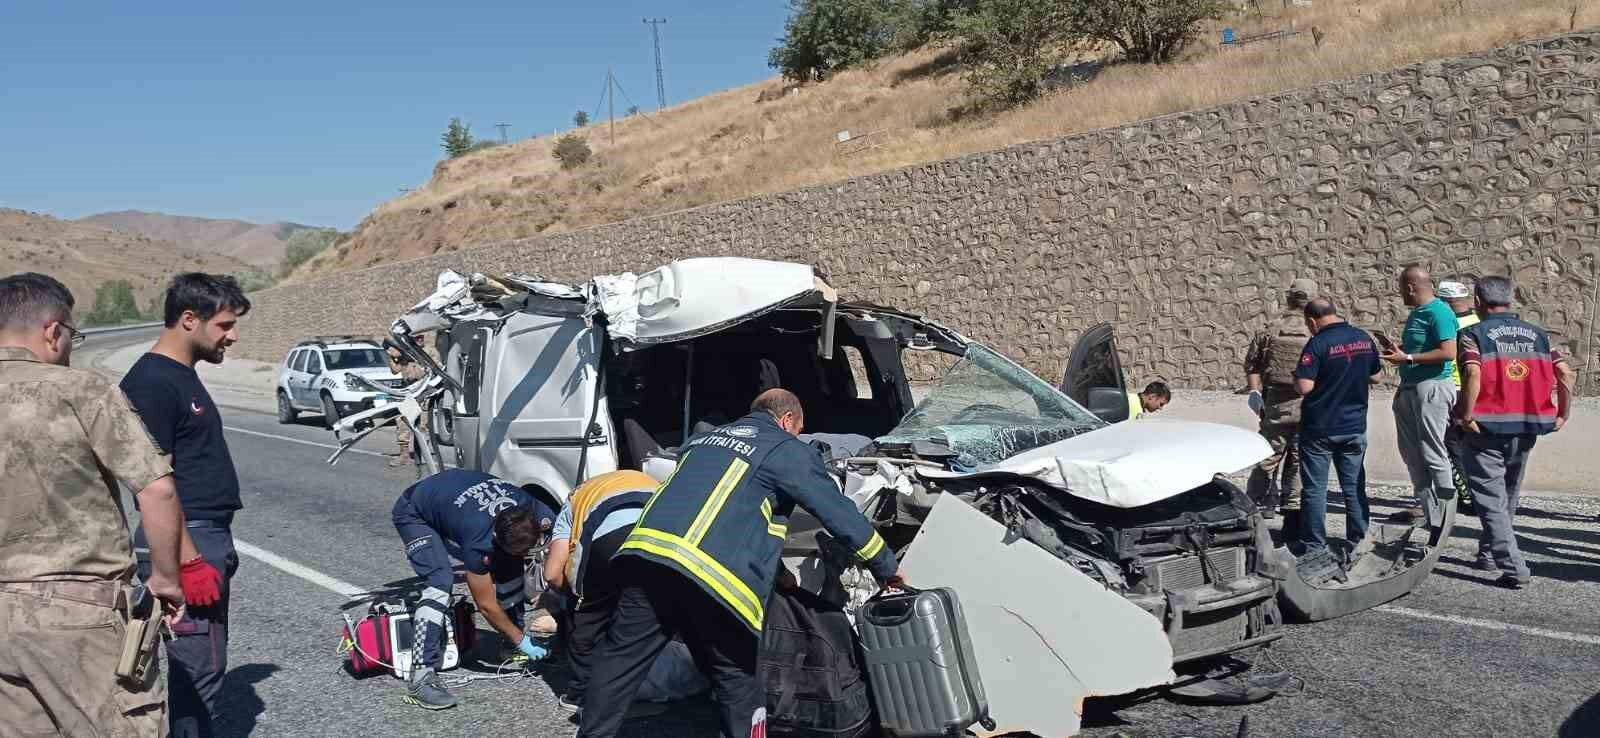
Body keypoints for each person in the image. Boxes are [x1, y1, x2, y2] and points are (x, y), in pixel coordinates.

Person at [578, 388, 903, 738]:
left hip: (647, 559)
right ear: (787, 420)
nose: (797, 436)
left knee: (619, 662)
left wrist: (776, 572)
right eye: (798, 429)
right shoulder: (785, 447)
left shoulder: (701, 441)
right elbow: (838, 513)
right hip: (711, 578)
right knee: (738, 679)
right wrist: (887, 567)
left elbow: (735, 511)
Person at [0, 273, 186, 736]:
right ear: (53, 331)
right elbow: (156, 490)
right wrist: (165, 580)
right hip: (79, 619)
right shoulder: (80, 389)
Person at [120, 273, 251, 738]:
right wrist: (189, 559)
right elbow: (154, 481)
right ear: (189, 319)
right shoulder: (154, 381)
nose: (232, 336)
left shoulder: (177, 376)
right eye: (224, 325)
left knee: (200, 671)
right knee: (198, 676)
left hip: (199, 534)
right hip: (187, 538)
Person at [392, 468, 557, 709]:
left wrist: (554, 594)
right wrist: (523, 640)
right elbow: (486, 605)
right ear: (495, 537)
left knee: (510, 565)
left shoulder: (537, 510)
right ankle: (421, 676)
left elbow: (565, 551)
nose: (526, 556)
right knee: (440, 581)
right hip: (414, 511)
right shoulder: (478, 540)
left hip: (451, 494)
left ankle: (510, 645)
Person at [1454, 276, 1575, 590]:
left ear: (1478, 302)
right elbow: (1565, 372)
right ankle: (1489, 553)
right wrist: (1563, 412)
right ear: (1512, 298)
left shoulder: (1472, 334)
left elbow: (1472, 372)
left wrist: (1466, 415)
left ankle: (1514, 567)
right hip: (1527, 425)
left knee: (1491, 500)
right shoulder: (1539, 334)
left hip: (1487, 426)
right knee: (1508, 493)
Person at [543, 470, 658, 714]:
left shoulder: (573, 501)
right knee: (644, 612)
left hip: (611, 537)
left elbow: (552, 574)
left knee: (587, 617)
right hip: (661, 536)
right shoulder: (644, 478)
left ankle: (581, 695)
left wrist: (571, 597)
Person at [1292, 298, 1383, 554]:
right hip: (1354, 426)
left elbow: (1304, 386)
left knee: (1314, 490)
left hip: (1320, 428)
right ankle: (1359, 541)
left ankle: (1314, 546)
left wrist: (1295, 378)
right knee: (1354, 487)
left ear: (1312, 321)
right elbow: (1376, 376)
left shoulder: (1318, 343)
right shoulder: (1362, 337)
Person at [1379, 264, 1459, 524]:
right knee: (1411, 453)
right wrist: (1400, 349)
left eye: (1402, 287)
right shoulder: (1418, 313)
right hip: (1410, 387)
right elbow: (1419, 345)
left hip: (1432, 387)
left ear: (1411, 287)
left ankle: (1445, 515)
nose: (1400, 292)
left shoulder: (1440, 312)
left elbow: (1448, 352)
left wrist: (1409, 358)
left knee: (1433, 452)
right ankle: (1426, 508)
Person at [1243, 278, 1317, 517]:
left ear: (1288, 297)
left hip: (1275, 401)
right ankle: (1293, 503)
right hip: (1309, 402)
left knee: (1268, 454)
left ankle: (1257, 502)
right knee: (1299, 455)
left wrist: (1255, 393)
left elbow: (1252, 365)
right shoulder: (1317, 330)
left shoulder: (1270, 328)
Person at [1439, 280, 1480, 513]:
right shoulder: (1479, 321)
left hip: (1455, 387)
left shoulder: (1449, 324)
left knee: (1452, 445)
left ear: (1444, 301)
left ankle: (1467, 499)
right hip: (1479, 389)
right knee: (1476, 447)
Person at [386, 335, 428, 470]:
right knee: (402, 422)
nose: (420, 339)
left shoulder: (430, 351)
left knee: (423, 425)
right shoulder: (404, 352)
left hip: (424, 390)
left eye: (421, 337)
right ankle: (404, 455)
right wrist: (392, 357)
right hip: (408, 391)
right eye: (416, 337)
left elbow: (437, 368)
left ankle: (421, 456)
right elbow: (395, 370)